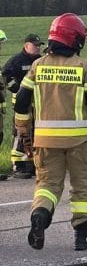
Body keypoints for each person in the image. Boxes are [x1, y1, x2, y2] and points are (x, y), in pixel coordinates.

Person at [13, 13, 87, 251]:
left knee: (47, 185)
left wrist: (23, 131)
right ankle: (82, 239)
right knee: (83, 188)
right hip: (80, 142)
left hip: (45, 141)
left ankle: (40, 215)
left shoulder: (37, 66)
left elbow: (21, 103)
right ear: (75, 40)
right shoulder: (83, 67)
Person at [3, 33, 45, 178]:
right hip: (22, 104)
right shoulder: (17, 60)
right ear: (26, 45)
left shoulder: (41, 60)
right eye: (35, 45)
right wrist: (17, 90)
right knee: (21, 132)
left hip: (38, 103)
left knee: (35, 132)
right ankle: (18, 165)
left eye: (39, 46)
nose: (38, 48)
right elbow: (5, 76)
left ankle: (30, 164)